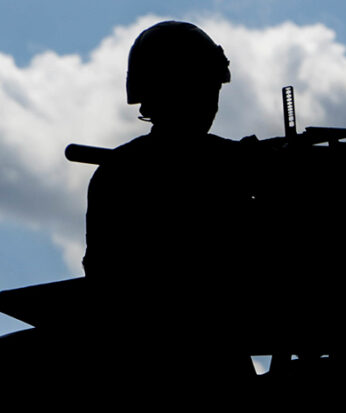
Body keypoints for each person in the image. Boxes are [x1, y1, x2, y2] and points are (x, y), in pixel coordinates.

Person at [81, 20, 259, 399]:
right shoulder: (223, 167)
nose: (211, 101)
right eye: (202, 88)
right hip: (187, 362)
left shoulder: (119, 170)